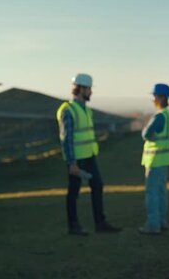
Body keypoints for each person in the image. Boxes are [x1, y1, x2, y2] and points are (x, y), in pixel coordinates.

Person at [56, 73, 121, 235]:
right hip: (77, 159)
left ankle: (100, 223)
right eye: (89, 89)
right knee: (74, 192)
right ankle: (73, 226)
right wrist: (72, 163)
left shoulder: (87, 110)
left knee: (97, 186)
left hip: (89, 156)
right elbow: (67, 139)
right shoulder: (68, 110)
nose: (91, 92)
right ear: (80, 89)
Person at [138, 83, 169, 235]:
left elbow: (145, 134)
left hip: (155, 160)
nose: (152, 99)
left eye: (154, 96)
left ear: (160, 97)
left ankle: (153, 225)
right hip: (163, 160)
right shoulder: (167, 114)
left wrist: (147, 133)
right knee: (161, 193)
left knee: (152, 194)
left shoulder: (159, 116)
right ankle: (161, 222)